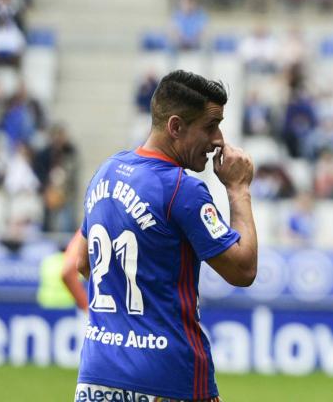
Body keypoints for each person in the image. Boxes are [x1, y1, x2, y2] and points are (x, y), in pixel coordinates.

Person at [73, 70, 258, 401]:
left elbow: (80, 262)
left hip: (97, 376)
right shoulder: (180, 189)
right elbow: (243, 270)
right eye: (210, 125)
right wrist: (239, 189)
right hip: (169, 378)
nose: (218, 139)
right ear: (176, 127)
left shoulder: (107, 171)